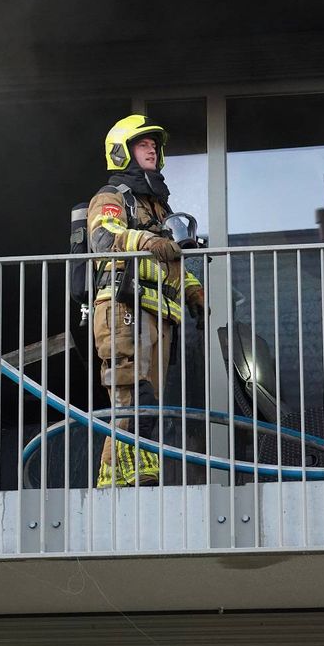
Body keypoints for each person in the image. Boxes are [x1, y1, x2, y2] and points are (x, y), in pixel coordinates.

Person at [87, 114, 206, 488]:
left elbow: (169, 259)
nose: (152, 148)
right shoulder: (112, 197)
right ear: (123, 152)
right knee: (130, 397)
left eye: (154, 144)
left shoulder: (159, 210)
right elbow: (103, 238)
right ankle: (115, 482)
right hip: (124, 309)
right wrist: (147, 242)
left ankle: (143, 472)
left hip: (157, 317)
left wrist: (193, 291)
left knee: (149, 403)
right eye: (143, 143)